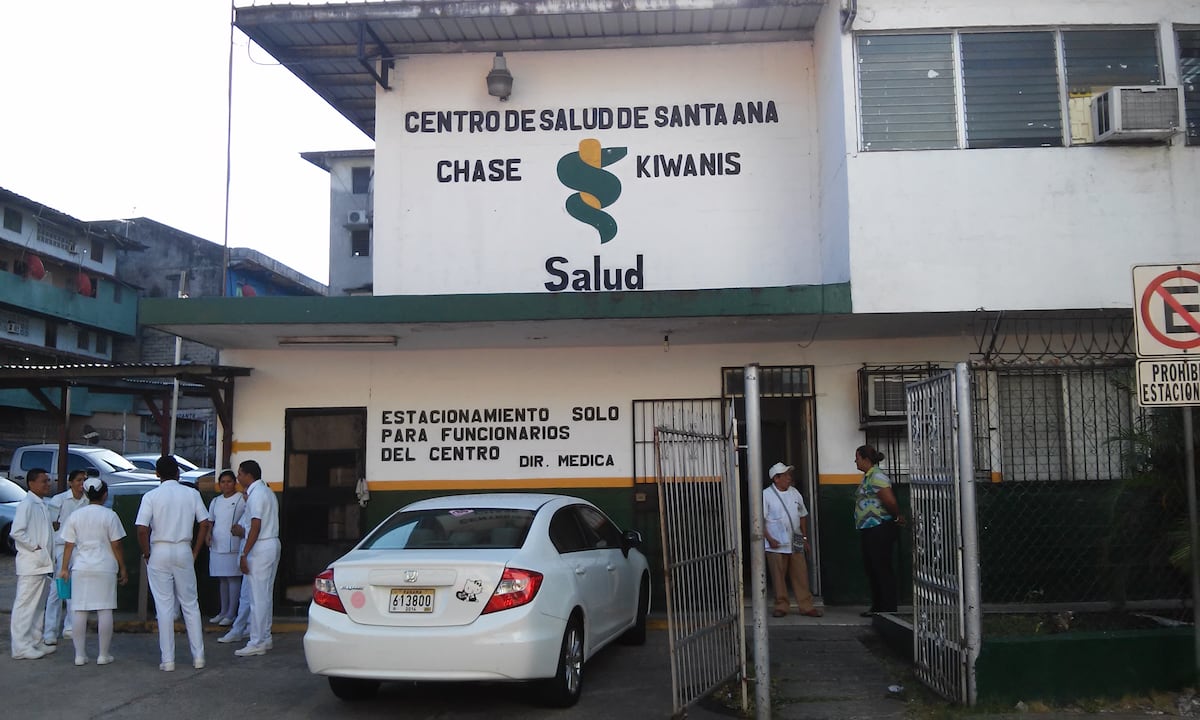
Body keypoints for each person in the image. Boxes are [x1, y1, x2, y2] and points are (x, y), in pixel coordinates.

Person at [135, 455, 212, 671]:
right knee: (190, 604)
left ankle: (168, 660)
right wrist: (195, 550)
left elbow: (141, 528)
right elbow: (204, 523)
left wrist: (147, 553)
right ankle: (199, 657)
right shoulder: (191, 494)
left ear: (156, 474)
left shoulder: (151, 496)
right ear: (178, 472)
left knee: (164, 607)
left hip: (159, 550)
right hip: (183, 549)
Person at [59, 477, 129, 666]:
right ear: (104, 494)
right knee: (104, 609)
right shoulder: (110, 515)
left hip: (81, 567)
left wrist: (64, 568)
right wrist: (123, 567)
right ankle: (103, 654)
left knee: (79, 609)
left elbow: (68, 545)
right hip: (105, 567)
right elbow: (117, 545)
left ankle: (79, 655)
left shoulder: (76, 515)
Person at [762, 462, 822, 618]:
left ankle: (806, 606)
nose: (789, 478)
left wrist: (804, 538)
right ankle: (781, 605)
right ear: (776, 478)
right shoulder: (766, 495)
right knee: (778, 575)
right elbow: (760, 520)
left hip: (795, 538)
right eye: (786, 475)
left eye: (789, 474)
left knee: (801, 573)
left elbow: (802, 515)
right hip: (775, 541)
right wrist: (769, 538)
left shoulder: (795, 493)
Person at [233, 459, 280, 657]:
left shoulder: (257, 495)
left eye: (240, 474)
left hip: (261, 547)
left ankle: (257, 641)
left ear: (248, 475)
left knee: (257, 597)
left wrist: (245, 553)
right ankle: (265, 636)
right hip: (271, 544)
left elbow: (255, 525)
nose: (238, 477)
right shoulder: (267, 492)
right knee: (265, 594)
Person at [10, 468, 57, 659]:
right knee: (26, 605)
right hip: (31, 563)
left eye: (48, 480)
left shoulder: (42, 504)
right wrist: (36, 548)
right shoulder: (27, 504)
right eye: (43, 481)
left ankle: (35, 641)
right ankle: (21, 646)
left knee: (38, 606)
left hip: (43, 564)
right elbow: (17, 532)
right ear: (31, 484)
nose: (48, 484)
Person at [854, 444, 905, 616]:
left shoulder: (876, 476)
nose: (855, 461)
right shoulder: (868, 476)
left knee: (881, 568)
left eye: (857, 458)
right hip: (870, 528)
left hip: (879, 527)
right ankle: (878, 607)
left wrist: (897, 516)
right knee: (872, 567)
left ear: (866, 459)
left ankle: (888, 608)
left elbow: (889, 501)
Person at [45, 469, 90, 645]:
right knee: (57, 590)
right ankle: (50, 630)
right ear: (71, 482)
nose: (81, 484)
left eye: (84, 480)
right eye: (78, 480)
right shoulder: (60, 500)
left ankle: (70, 627)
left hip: (80, 548)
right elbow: (51, 525)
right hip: (61, 548)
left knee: (75, 589)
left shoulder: (87, 501)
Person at [206, 469, 245, 625]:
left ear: (234, 483)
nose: (226, 484)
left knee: (233, 578)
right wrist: (209, 534)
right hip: (217, 544)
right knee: (222, 579)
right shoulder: (215, 501)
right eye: (223, 482)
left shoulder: (241, 499)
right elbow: (211, 521)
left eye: (229, 481)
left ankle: (231, 613)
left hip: (233, 545)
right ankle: (223, 612)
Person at [217, 499, 254, 645]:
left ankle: (238, 629)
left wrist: (242, 532)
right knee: (249, 596)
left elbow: (255, 530)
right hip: (246, 552)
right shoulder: (247, 509)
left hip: (253, 554)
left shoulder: (258, 505)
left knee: (248, 596)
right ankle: (248, 627)